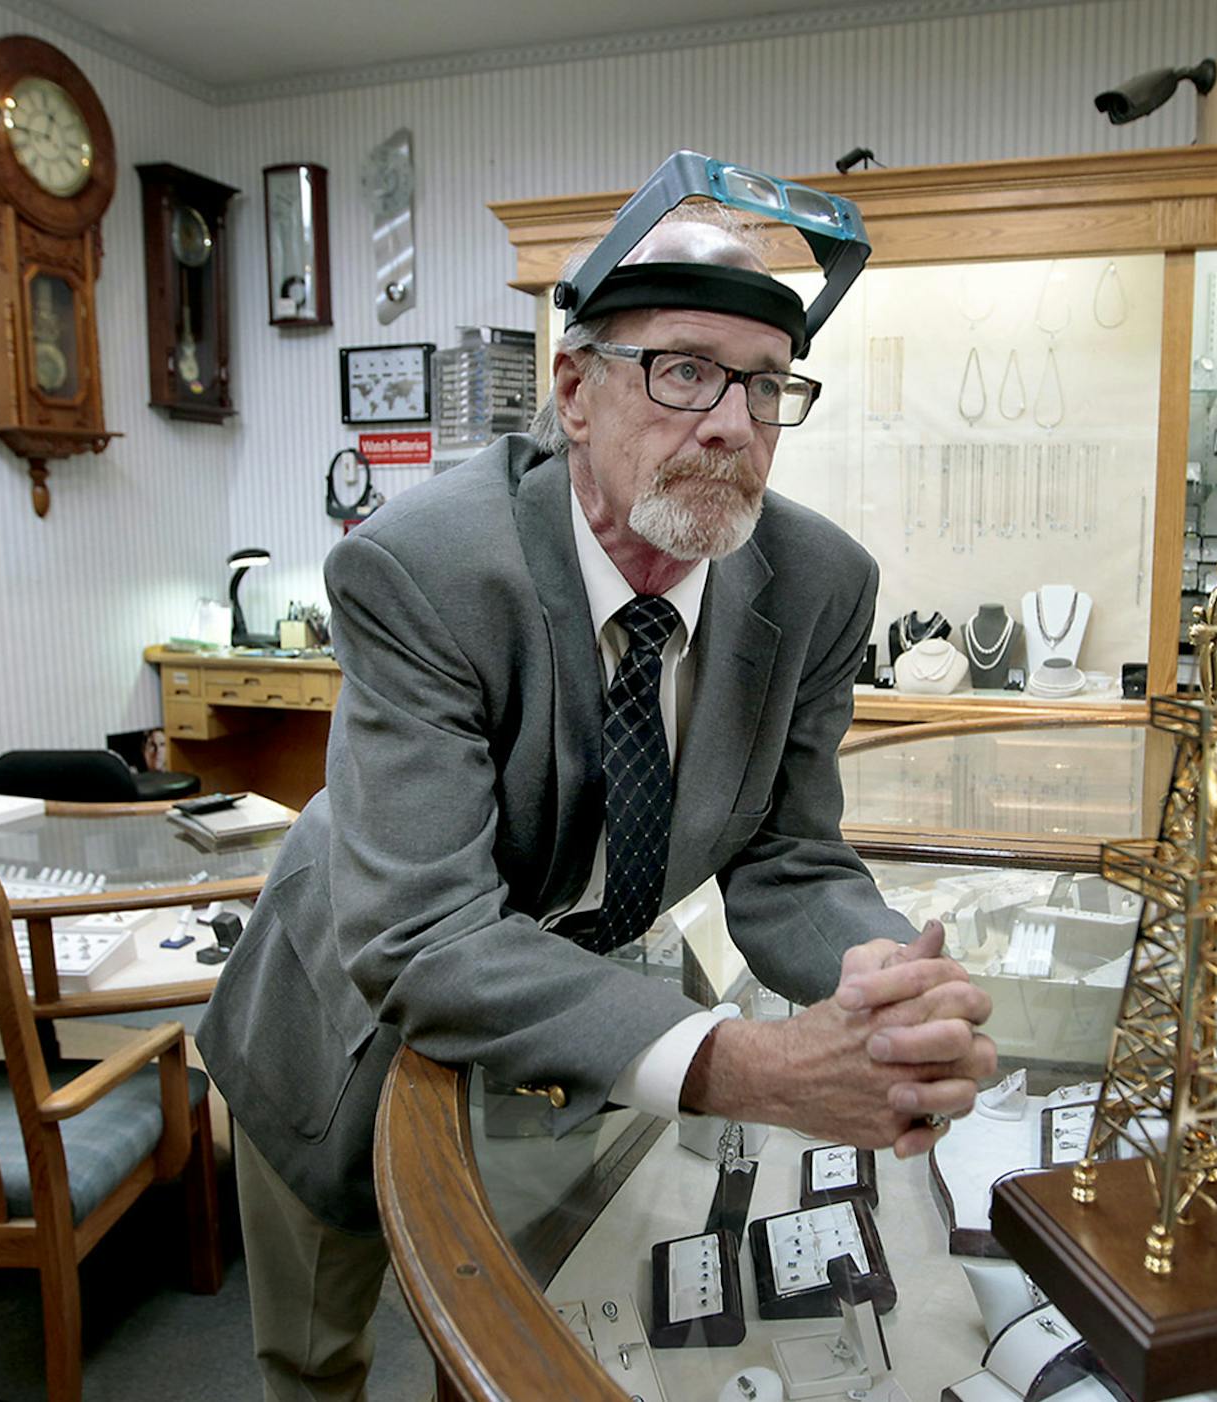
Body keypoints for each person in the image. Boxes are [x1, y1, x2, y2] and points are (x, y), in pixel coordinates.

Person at [198, 171, 995, 1401]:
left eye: (766, 385)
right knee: (317, 1350)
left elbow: (791, 857)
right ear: (574, 390)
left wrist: (882, 978)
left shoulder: (818, 584)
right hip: (349, 1019)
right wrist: (759, 1066)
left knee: (537, 1312)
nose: (731, 424)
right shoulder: (424, 570)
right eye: (683, 371)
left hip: (579, 1010)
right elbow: (421, 938)